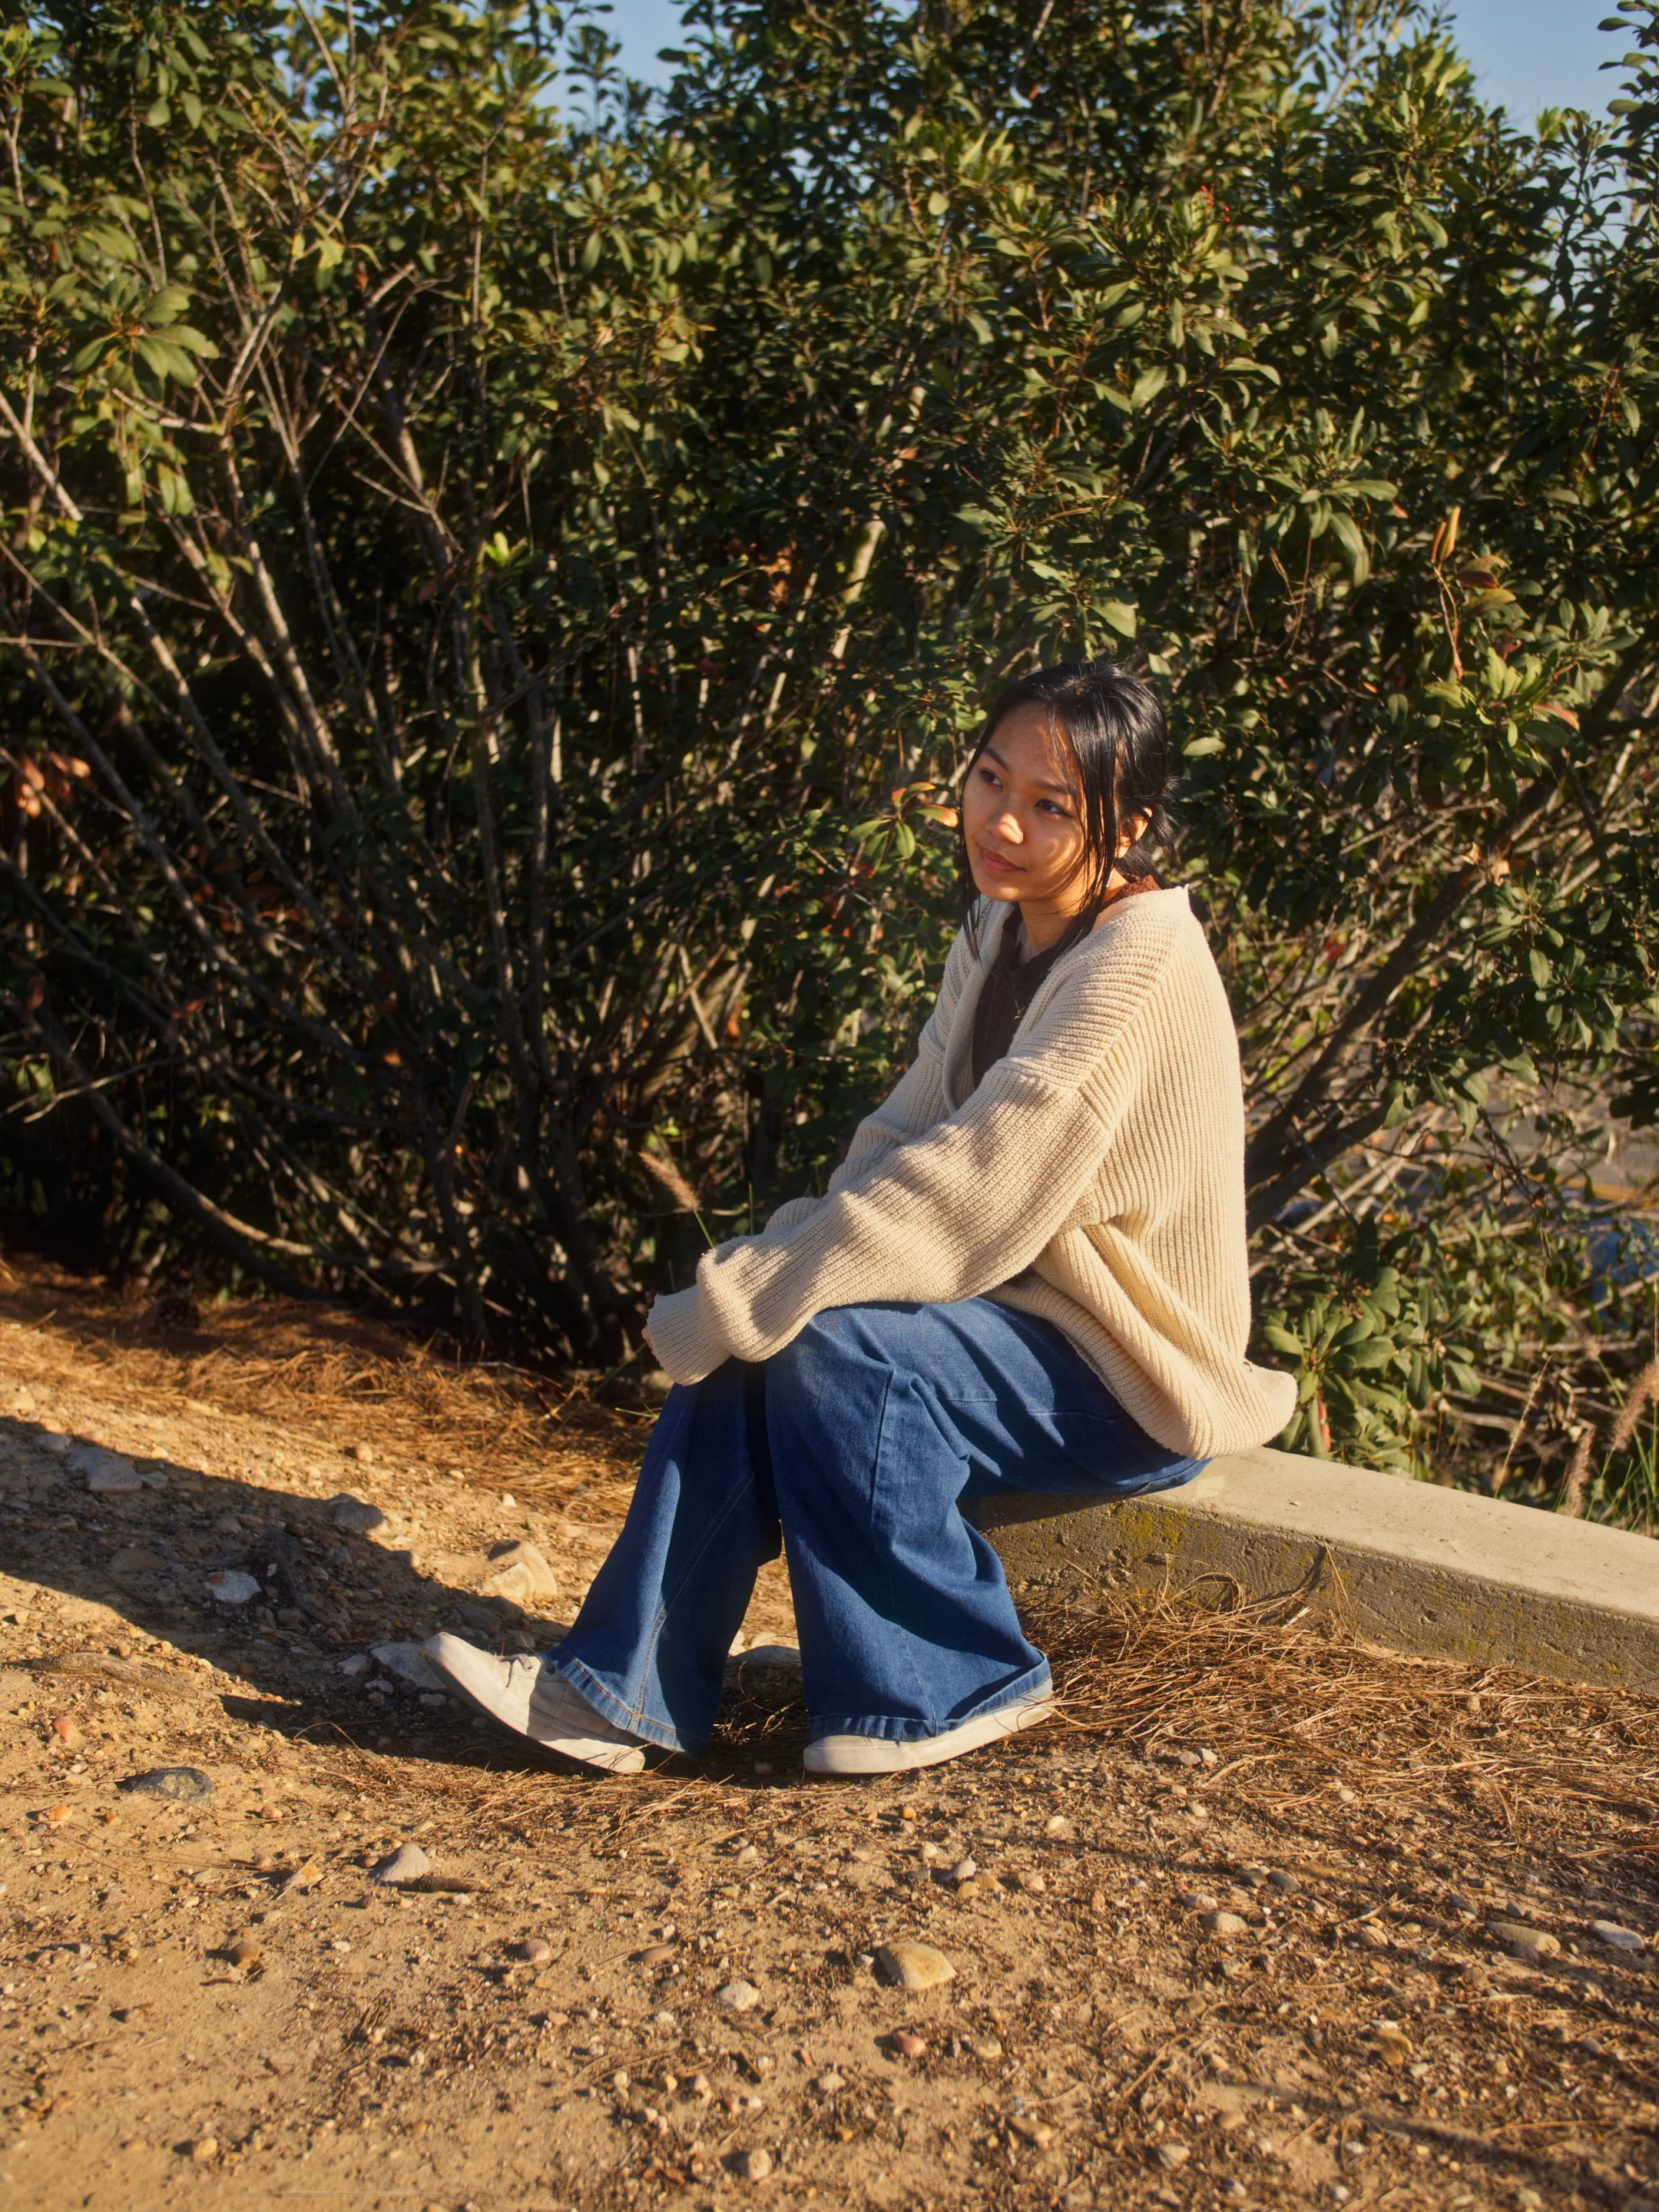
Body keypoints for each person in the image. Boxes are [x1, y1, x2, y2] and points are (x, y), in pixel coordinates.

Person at [426, 661, 1296, 1776]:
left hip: (1130, 1367)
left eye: (1051, 806)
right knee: (771, 1343)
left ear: (1125, 830)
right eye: (992, 778)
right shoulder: (1001, 929)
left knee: (833, 1338)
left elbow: (974, 1189)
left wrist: (757, 1289)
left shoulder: (1135, 963)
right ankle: (623, 1693)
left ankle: (943, 1684)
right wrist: (778, 1268)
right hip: (1011, 1325)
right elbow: (905, 1138)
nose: (1005, 822)